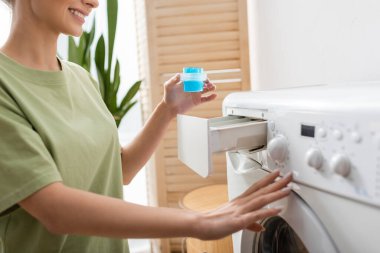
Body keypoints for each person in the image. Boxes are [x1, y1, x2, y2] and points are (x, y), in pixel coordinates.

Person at [0, 0, 293, 252]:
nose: (94, 2)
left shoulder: (80, 77)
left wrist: (167, 110)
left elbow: (120, 170)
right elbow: (55, 210)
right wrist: (201, 223)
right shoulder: (4, 86)